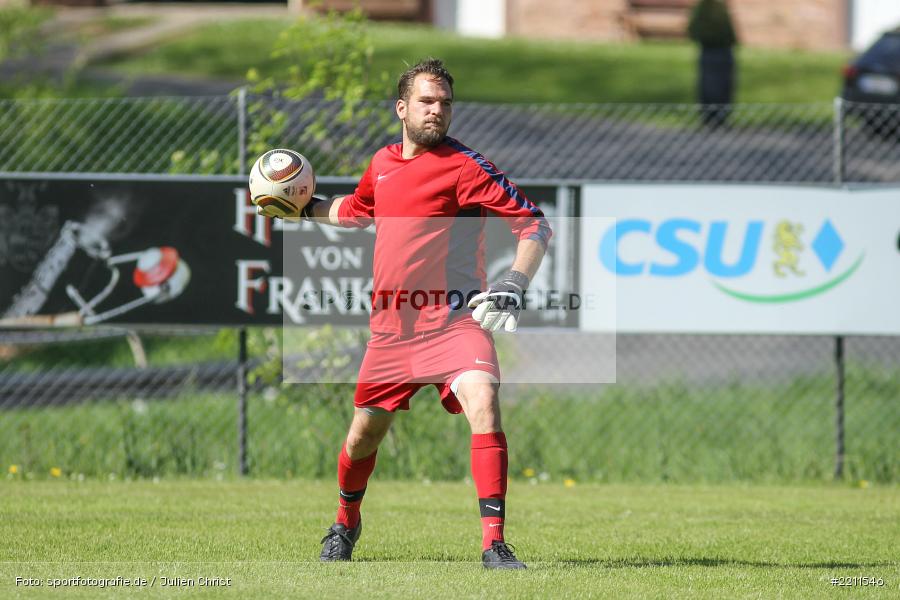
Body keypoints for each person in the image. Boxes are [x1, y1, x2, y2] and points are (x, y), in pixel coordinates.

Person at [266, 58, 551, 569]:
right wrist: (299, 207)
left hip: (454, 321)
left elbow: (534, 226)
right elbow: (355, 211)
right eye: (426, 101)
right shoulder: (381, 163)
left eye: (444, 103)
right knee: (362, 436)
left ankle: (494, 544)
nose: (437, 110)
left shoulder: (467, 167)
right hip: (392, 331)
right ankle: (344, 523)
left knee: (483, 399)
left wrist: (514, 281)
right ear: (402, 107)